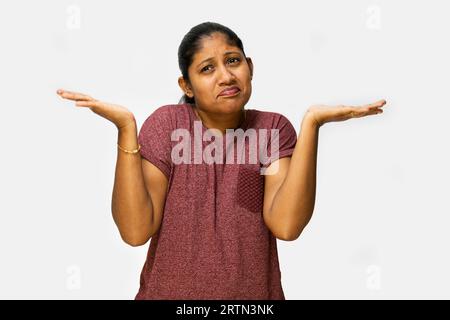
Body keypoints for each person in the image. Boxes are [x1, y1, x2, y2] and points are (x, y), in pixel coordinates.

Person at [56, 21, 386, 300]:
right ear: (187, 85)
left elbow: (286, 225)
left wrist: (312, 124)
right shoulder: (168, 125)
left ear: (250, 67)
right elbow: (135, 231)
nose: (226, 76)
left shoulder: (271, 129)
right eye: (207, 68)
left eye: (233, 61)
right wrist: (126, 128)